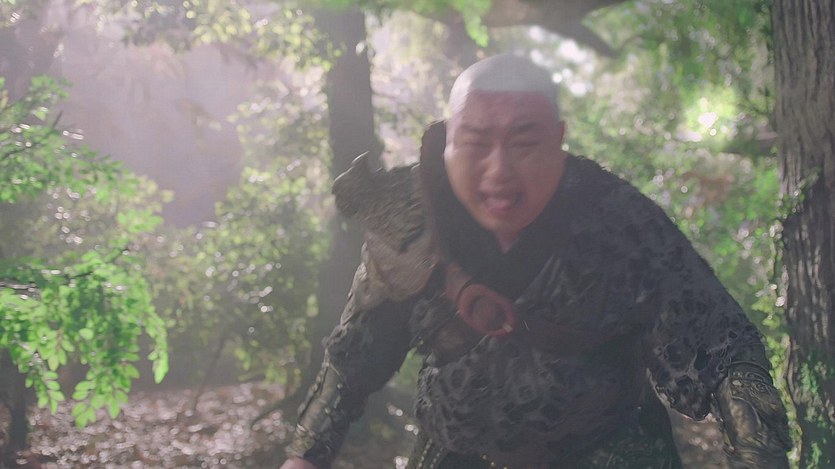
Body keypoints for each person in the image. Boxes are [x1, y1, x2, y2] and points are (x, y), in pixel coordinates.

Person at [280, 54, 791, 469]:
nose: (498, 172)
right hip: (455, 453)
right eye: (475, 144)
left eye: (524, 143)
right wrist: (305, 455)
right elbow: (355, 354)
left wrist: (757, 454)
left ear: (559, 139)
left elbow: (725, 349)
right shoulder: (409, 220)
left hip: (608, 451)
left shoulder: (622, 222)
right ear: (447, 142)